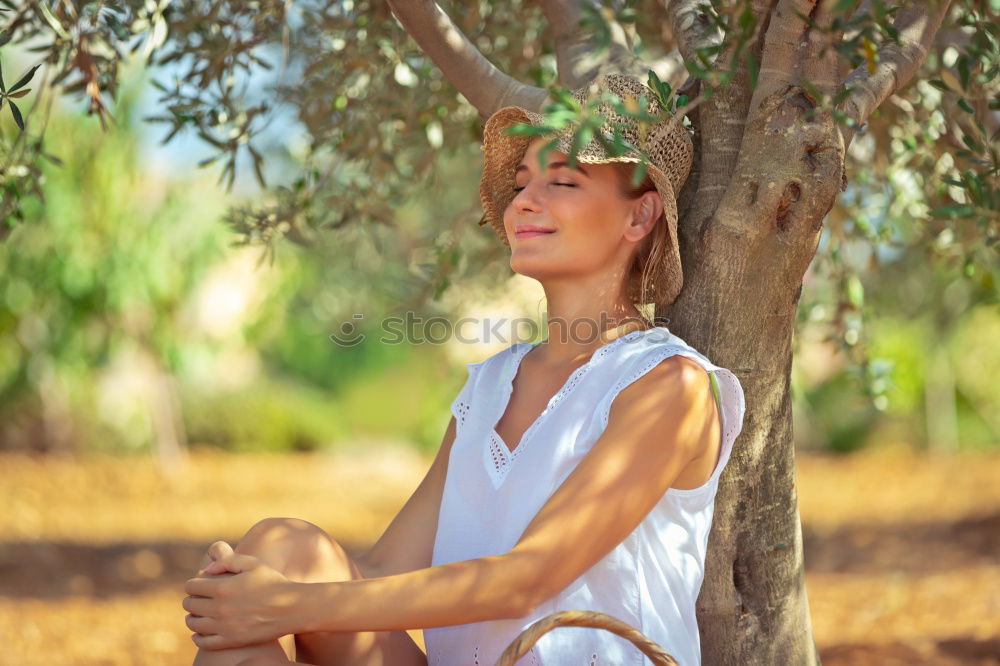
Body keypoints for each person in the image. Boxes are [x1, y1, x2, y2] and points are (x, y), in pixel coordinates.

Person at [182, 72, 746, 666]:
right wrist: (247, 588)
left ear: (640, 217)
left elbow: (526, 580)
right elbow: (379, 571)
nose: (524, 201)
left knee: (279, 591)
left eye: (563, 181)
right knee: (283, 544)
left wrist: (289, 608)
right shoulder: (488, 388)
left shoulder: (668, 386)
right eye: (524, 182)